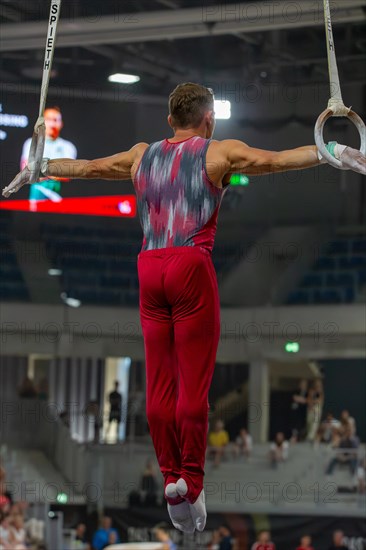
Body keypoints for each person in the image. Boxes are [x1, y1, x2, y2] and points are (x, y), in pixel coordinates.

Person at [4, 82, 365, 533]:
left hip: (149, 266)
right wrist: (331, 149)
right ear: (208, 118)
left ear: (169, 120)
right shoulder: (216, 153)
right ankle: (188, 482)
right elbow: (273, 161)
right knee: (193, 381)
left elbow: (90, 168)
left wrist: (40, 167)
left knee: (158, 378)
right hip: (190, 264)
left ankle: (173, 477)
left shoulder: (141, 155)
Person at [20, 106, 77, 204]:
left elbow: (69, 173)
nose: (52, 123)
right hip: (36, 201)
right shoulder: (31, 143)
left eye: (55, 120)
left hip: (60, 201)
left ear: (61, 123)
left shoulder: (68, 147)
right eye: (48, 119)